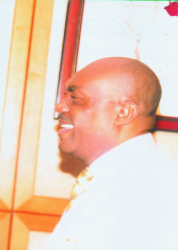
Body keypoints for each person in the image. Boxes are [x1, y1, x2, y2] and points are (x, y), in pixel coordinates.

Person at [45, 57, 178, 249]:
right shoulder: (120, 176)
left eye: (75, 99)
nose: (60, 107)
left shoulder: (149, 188)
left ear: (124, 113)